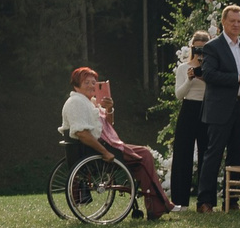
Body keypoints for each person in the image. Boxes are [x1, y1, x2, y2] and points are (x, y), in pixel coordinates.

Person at [65, 68, 174, 219]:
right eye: (87, 82)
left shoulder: (90, 102)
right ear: (76, 85)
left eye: (93, 83)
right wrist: (105, 152)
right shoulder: (76, 102)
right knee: (144, 155)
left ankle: (156, 207)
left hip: (102, 145)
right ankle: (159, 205)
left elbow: (108, 125)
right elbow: (82, 134)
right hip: (94, 150)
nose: (91, 86)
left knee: (142, 156)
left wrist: (109, 109)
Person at [192, 5, 240, 212]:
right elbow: (208, 74)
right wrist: (238, 77)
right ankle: (205, 201)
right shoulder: (213, 46)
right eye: (232, 21)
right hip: (219, 108)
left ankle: (231, 200)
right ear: (223, 23)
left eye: (239, 21)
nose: (236, 24)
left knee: (237, 154)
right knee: (214, 154)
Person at [168, 29, 212, 211]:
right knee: (182, 154)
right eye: (197, 49)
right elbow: (179, 95)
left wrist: (206, 76)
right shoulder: (183, 68)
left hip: (206, 109)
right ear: (192, 49)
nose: (200, 53)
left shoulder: (211, 68)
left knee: (206, 155)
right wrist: (190, 79)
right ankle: (180, 200)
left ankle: (204, 201)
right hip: (188, 108)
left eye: (204, 49)